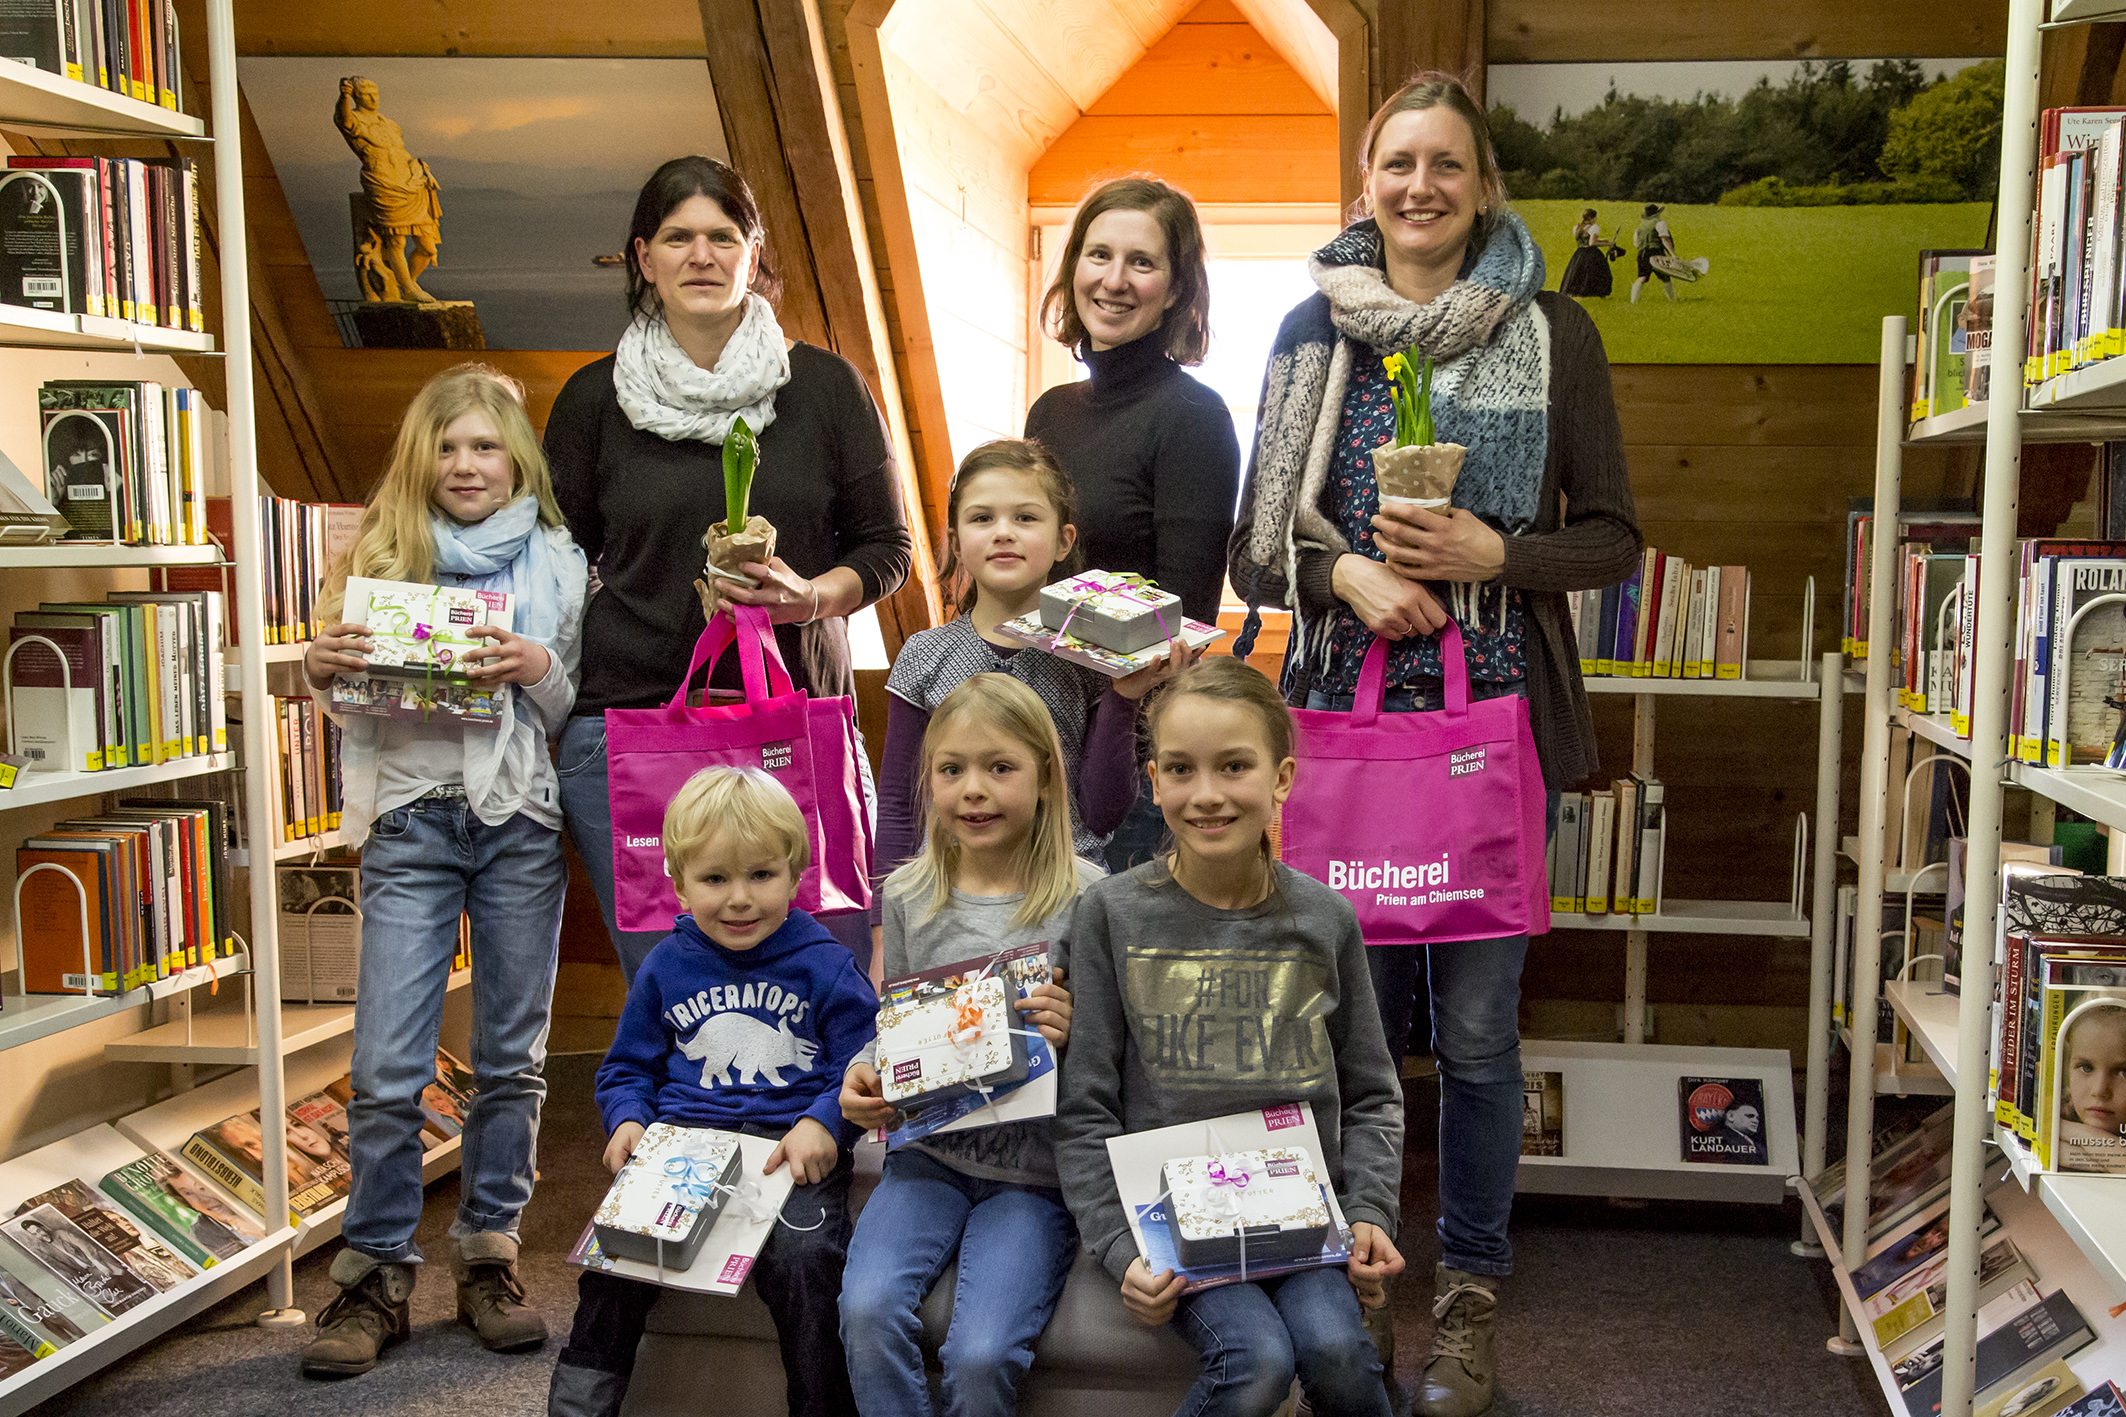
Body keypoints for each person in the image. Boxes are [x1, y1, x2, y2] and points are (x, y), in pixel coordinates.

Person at [1225, 72, 1642, 1417]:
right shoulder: (1310, 329)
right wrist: (1338, 579)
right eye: (1396, 163)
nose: (1418, 187)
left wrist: (1493, 552)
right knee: (1343, 1040)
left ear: (1482, 186)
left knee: (1473, 1043)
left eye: (1444, 165)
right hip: (1337, 736)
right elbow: (1251, 547)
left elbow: (1616, 537)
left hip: (1488, 730)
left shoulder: (1553, 330)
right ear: (1365, 184)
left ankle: (1463, 1298)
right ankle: (1349, 1281)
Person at [549, 155, 913, 983]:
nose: (701, 256)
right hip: (632, 733)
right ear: (644, 258)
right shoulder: (591, 400)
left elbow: (888, 550)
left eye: (723, 236)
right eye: (678, 237)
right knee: (676, 1000)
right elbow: (555, 561)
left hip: (793, 722)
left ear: (754, 254)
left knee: (824, 988)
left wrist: (810, 598)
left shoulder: (825, 388)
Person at [299, 363, 588, 1378]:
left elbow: (572, 708)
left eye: (484, 446)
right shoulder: (382, 549)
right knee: (385, 1065)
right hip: (412, 823)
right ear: (422, 458)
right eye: (449, 447)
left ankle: (486, 1254)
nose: (466, 464)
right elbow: (339, 689)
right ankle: (374, 1269)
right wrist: (318, 668)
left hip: (515, 820)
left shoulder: (556, 558)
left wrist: (537, 669)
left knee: (511, 1058)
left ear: (517, 459)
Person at [1054, 658, 1406, 1417]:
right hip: (1178, 1231)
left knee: (1343, 1352)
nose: (1207, 793)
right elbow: (1085, 1111)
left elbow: (1374, 1091)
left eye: (1234, 766)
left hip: (1301, 1222)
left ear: (1281, 777)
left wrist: (1371, 1212)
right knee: (1256, 1359)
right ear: (1153, 779)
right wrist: (1123, 1250)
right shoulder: (1110, 916)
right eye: (1181, 769)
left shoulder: (1326, 919)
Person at [549, 767, 877, 1417]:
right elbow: (625, 1069)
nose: (738, 898)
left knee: (808, 1266)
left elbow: (864, 1062)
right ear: (679, 880)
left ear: (796, 869)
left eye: (761, 874)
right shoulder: (666, 966)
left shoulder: (827, 962)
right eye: (715, 878)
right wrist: (627, 1122)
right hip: (682, 1156)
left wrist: (825, 1123)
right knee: (611, 1274)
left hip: (786, 1153)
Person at [839, 674, 1099, 1417]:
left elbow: (1118, 1063)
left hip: (1036, 1174)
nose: (973, 790)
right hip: (929, 1156)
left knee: (983, 1354)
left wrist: (1074, 1031)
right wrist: (865, 1072)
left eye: (1000, 767)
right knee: (865, 1310)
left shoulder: (1088, 897)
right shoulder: (910, 894)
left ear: (1046, 778)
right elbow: (898, 1024)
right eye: (951, 769)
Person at [873, 440, 1188, 933]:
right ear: (955, 542)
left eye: (1025, 518)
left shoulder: (1094, 660)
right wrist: (880, 929)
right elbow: (898, 805)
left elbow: (1102, 814)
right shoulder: (924, 655)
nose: (1003, 533)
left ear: (1063, 541)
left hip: (1066, 904)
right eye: (981, 519)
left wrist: (1124, 699)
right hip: (949, 908)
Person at [1024, 176, 1241, 874]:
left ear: (1176, 288)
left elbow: (1180, 618)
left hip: (1134, 748)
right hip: (1036, 727)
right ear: (1073, 267)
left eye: (1141, 263)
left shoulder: (1195, 418)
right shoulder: (1050, 412)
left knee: (1111, 971)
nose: (1114, 280)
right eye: (1098, 255)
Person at [2060, 1000, 2126, 1171]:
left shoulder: (2060, 1127)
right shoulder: (2060, 1109)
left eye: (2123, 1073)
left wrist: (2076, 1132)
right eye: (2086, 1068)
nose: (2099, 1090)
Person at [1557, 209, 1618, 299]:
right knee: (1602, 273)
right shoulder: (1594, 227)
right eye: (1595, 217)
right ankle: (1599, 294)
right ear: (1592, 218)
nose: (1596, 219)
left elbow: (1585, 241)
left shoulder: (1577, 228)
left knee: (1579, 274)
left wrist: (1603, 241)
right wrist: (1609, 243)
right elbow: (1592, 243)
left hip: (1579, 253)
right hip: (1591, 254)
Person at [1629, 203, 1676, 305]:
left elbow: (1636, 243)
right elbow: (1665, 239)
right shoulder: (1660, 223)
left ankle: (1633, 301)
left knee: (1642, 277)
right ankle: (1672, 300)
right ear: (1657, 213)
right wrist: (1673, 254)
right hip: (1656, 252)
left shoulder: (1640, 226)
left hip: (1642, 253)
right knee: (1665, 276)